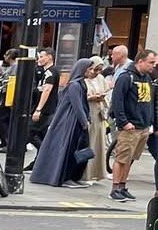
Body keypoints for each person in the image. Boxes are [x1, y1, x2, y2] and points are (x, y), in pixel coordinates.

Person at [30, 58, 96, 188]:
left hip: (75, 122)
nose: (91, 71)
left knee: (76, 149)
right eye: (89, 69)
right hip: (70, 123)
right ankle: (66, 178)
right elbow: (77, 105)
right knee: (70, 149)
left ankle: (72, 176)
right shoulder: (75, 85)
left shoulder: (79, 84)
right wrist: (84, 121)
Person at [110, 49, 157, 202]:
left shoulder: (147, 79)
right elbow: (117, 102)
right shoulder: (126, 77)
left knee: (130, 158)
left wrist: (150, 123)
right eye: (151, 62)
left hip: (143, 127)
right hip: (130, 126)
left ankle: (122, 186)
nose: (153, 66)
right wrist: (124, 122)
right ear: (140, 61)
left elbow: (150, 102)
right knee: (122, 158)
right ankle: (115, 187)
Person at [84, 58, 110, 184]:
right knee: (89, 143)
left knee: (99, 144)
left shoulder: (100, 79)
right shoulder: (83, 79)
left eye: (100, 70)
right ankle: (86, 174)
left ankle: (97, 173)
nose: (97, 72)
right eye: (95, 69)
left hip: (99, 114)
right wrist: (92, 97)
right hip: (89, 112)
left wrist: (102, 97)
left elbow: (106, 93)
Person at [30, 49, 57, 146]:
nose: (39, 60)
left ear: (49, 57)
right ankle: (39, 159)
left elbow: (47, 90)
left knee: (30, 132)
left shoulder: (50, 72)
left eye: (42, 57)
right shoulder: (46, 72)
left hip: (45, 110)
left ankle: (44, 153)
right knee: (42, 135)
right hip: (46, 110)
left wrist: (38, 109)